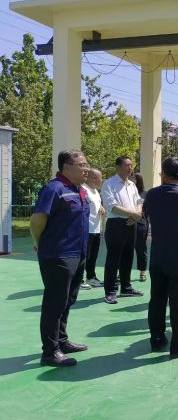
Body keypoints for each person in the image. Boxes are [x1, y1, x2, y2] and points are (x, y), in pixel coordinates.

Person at [30, 149, 90, 367]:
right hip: (58, 255)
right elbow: (37, 221)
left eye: (86, 164)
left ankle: (61, 341)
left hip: (77, 253)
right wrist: (40, 242)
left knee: (67, 300)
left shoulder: (79, 190)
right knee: (54, 304)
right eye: (82, 165)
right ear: (66, 167)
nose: (86, 169)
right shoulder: (54, 189)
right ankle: (50, 352)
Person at [143, 157, 178, 359]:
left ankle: (157, 339)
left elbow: (146, 215)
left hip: (158, 255)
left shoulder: (152, 194)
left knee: (157, 300)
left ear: (163, 174)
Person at [101, 156, 143, 304]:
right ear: (118, 167)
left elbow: (138, 201)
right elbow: (112, 207)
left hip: (132, 223)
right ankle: (110, 291)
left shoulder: (132, 185)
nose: (130, 168)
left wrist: (137, 214)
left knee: (128, 256)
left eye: (131, 165)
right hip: (116, 224)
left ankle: (126, 287)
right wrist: (134, 214)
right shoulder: (109, 183)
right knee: (113, 259)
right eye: (127, 165)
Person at [81, 168, 105, 289]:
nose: (102, 180)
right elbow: (81, 205)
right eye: (101, 178)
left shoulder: (95, 191)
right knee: (84, 256)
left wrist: (101, 207)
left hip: (96, 229)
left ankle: (91, 277)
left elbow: (96, 204)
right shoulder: (83, 189)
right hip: (86, 229)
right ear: (94, 178)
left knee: (93, 256)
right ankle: (79, 280)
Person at [132, 172, 148, 282]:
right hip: (128, 223)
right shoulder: (127, 192)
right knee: (125, 249)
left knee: (141, 249)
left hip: (141, 225)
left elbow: (144, 210)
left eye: (133, 178)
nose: (130, 180)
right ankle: (122, 272)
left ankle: (142, 272)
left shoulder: (144, 194)